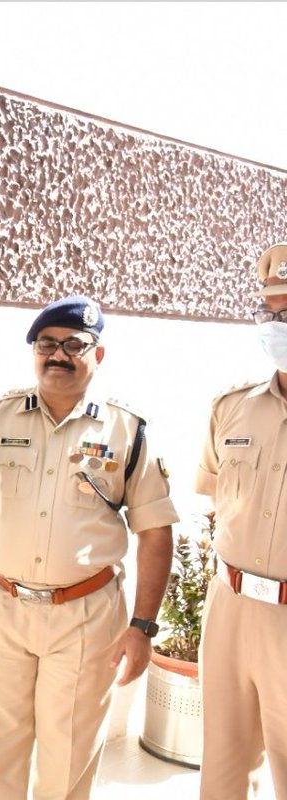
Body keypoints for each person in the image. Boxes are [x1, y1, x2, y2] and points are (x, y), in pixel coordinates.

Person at [0, 295, 176, 799]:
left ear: (99, 353)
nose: (58, 355)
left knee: (66, 757)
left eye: (74, 345)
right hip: (0, 609)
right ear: (33, 350)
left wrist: (142, 626)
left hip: (86, 617)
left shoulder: (127, 429)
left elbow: (155, 531)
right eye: (47, 344)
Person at [195, 243, 287, 798]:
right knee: (223, 771)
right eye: (273, 313)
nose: (279, 325)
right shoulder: (231, 406)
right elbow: (213, 498)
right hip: (229, 607)